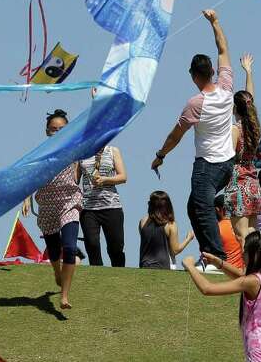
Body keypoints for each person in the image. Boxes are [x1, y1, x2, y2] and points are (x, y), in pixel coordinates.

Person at [151, 9, 235, 259]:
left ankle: (216, 257)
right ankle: (207, 253)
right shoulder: (227, 87)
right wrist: (215, 22)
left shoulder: (196, 103)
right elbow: (223, 50)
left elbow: (175, 135)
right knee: (193, 206)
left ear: (194, 76)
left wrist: (160, 155)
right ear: (212, 71)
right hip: (227, 164)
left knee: (202, 206)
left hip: (207, 166)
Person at [184, 230, 261, 362]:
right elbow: (241, 277)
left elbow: (207, 289)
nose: (242, 254)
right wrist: (218, 262)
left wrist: (190, 266)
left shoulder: (252, 281)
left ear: (257, 253)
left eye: (245, 250)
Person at [22, 109, 82, 309]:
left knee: (70, 248)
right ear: (47, 131)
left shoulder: (75, 148)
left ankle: (64, 296)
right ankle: (57, 271)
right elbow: (29, 178)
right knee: (54, 249)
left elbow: (93, 129)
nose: (57, 132)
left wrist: (95, 100)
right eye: (53, 129)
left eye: (62, 129)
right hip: (47, 206)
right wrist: (26, 199)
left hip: (69, 203)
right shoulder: (40, 153)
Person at [223, 62, 261, 244]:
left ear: (235, 108)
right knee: (253, 231)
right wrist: (249, 72)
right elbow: (250, 99)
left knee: (241, 234)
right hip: (253, 183)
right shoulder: (254, 128)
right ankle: (257, 267)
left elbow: (230, 155)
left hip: (238, 183)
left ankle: (248, 269)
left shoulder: (235, 129)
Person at [78, 139, 127, 267]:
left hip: (111, 206)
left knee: (115, 247)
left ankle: (119, 275)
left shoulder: (112, 151)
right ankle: (97, 273)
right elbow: (74, 180)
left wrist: (105, 179)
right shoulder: (82, 154)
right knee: (92, 243)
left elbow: (123, 177)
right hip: (88, 208)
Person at [139, 190, 194, 270]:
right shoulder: (170, 225)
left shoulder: (143, 222)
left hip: (145, 265)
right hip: (165, 265)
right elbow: (175, 250)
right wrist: (188, 239)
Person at [215, 194, 245, 272]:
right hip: (241, 270)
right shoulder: (241, 226)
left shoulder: (216, 228)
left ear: (217, 210)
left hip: (224, 269)